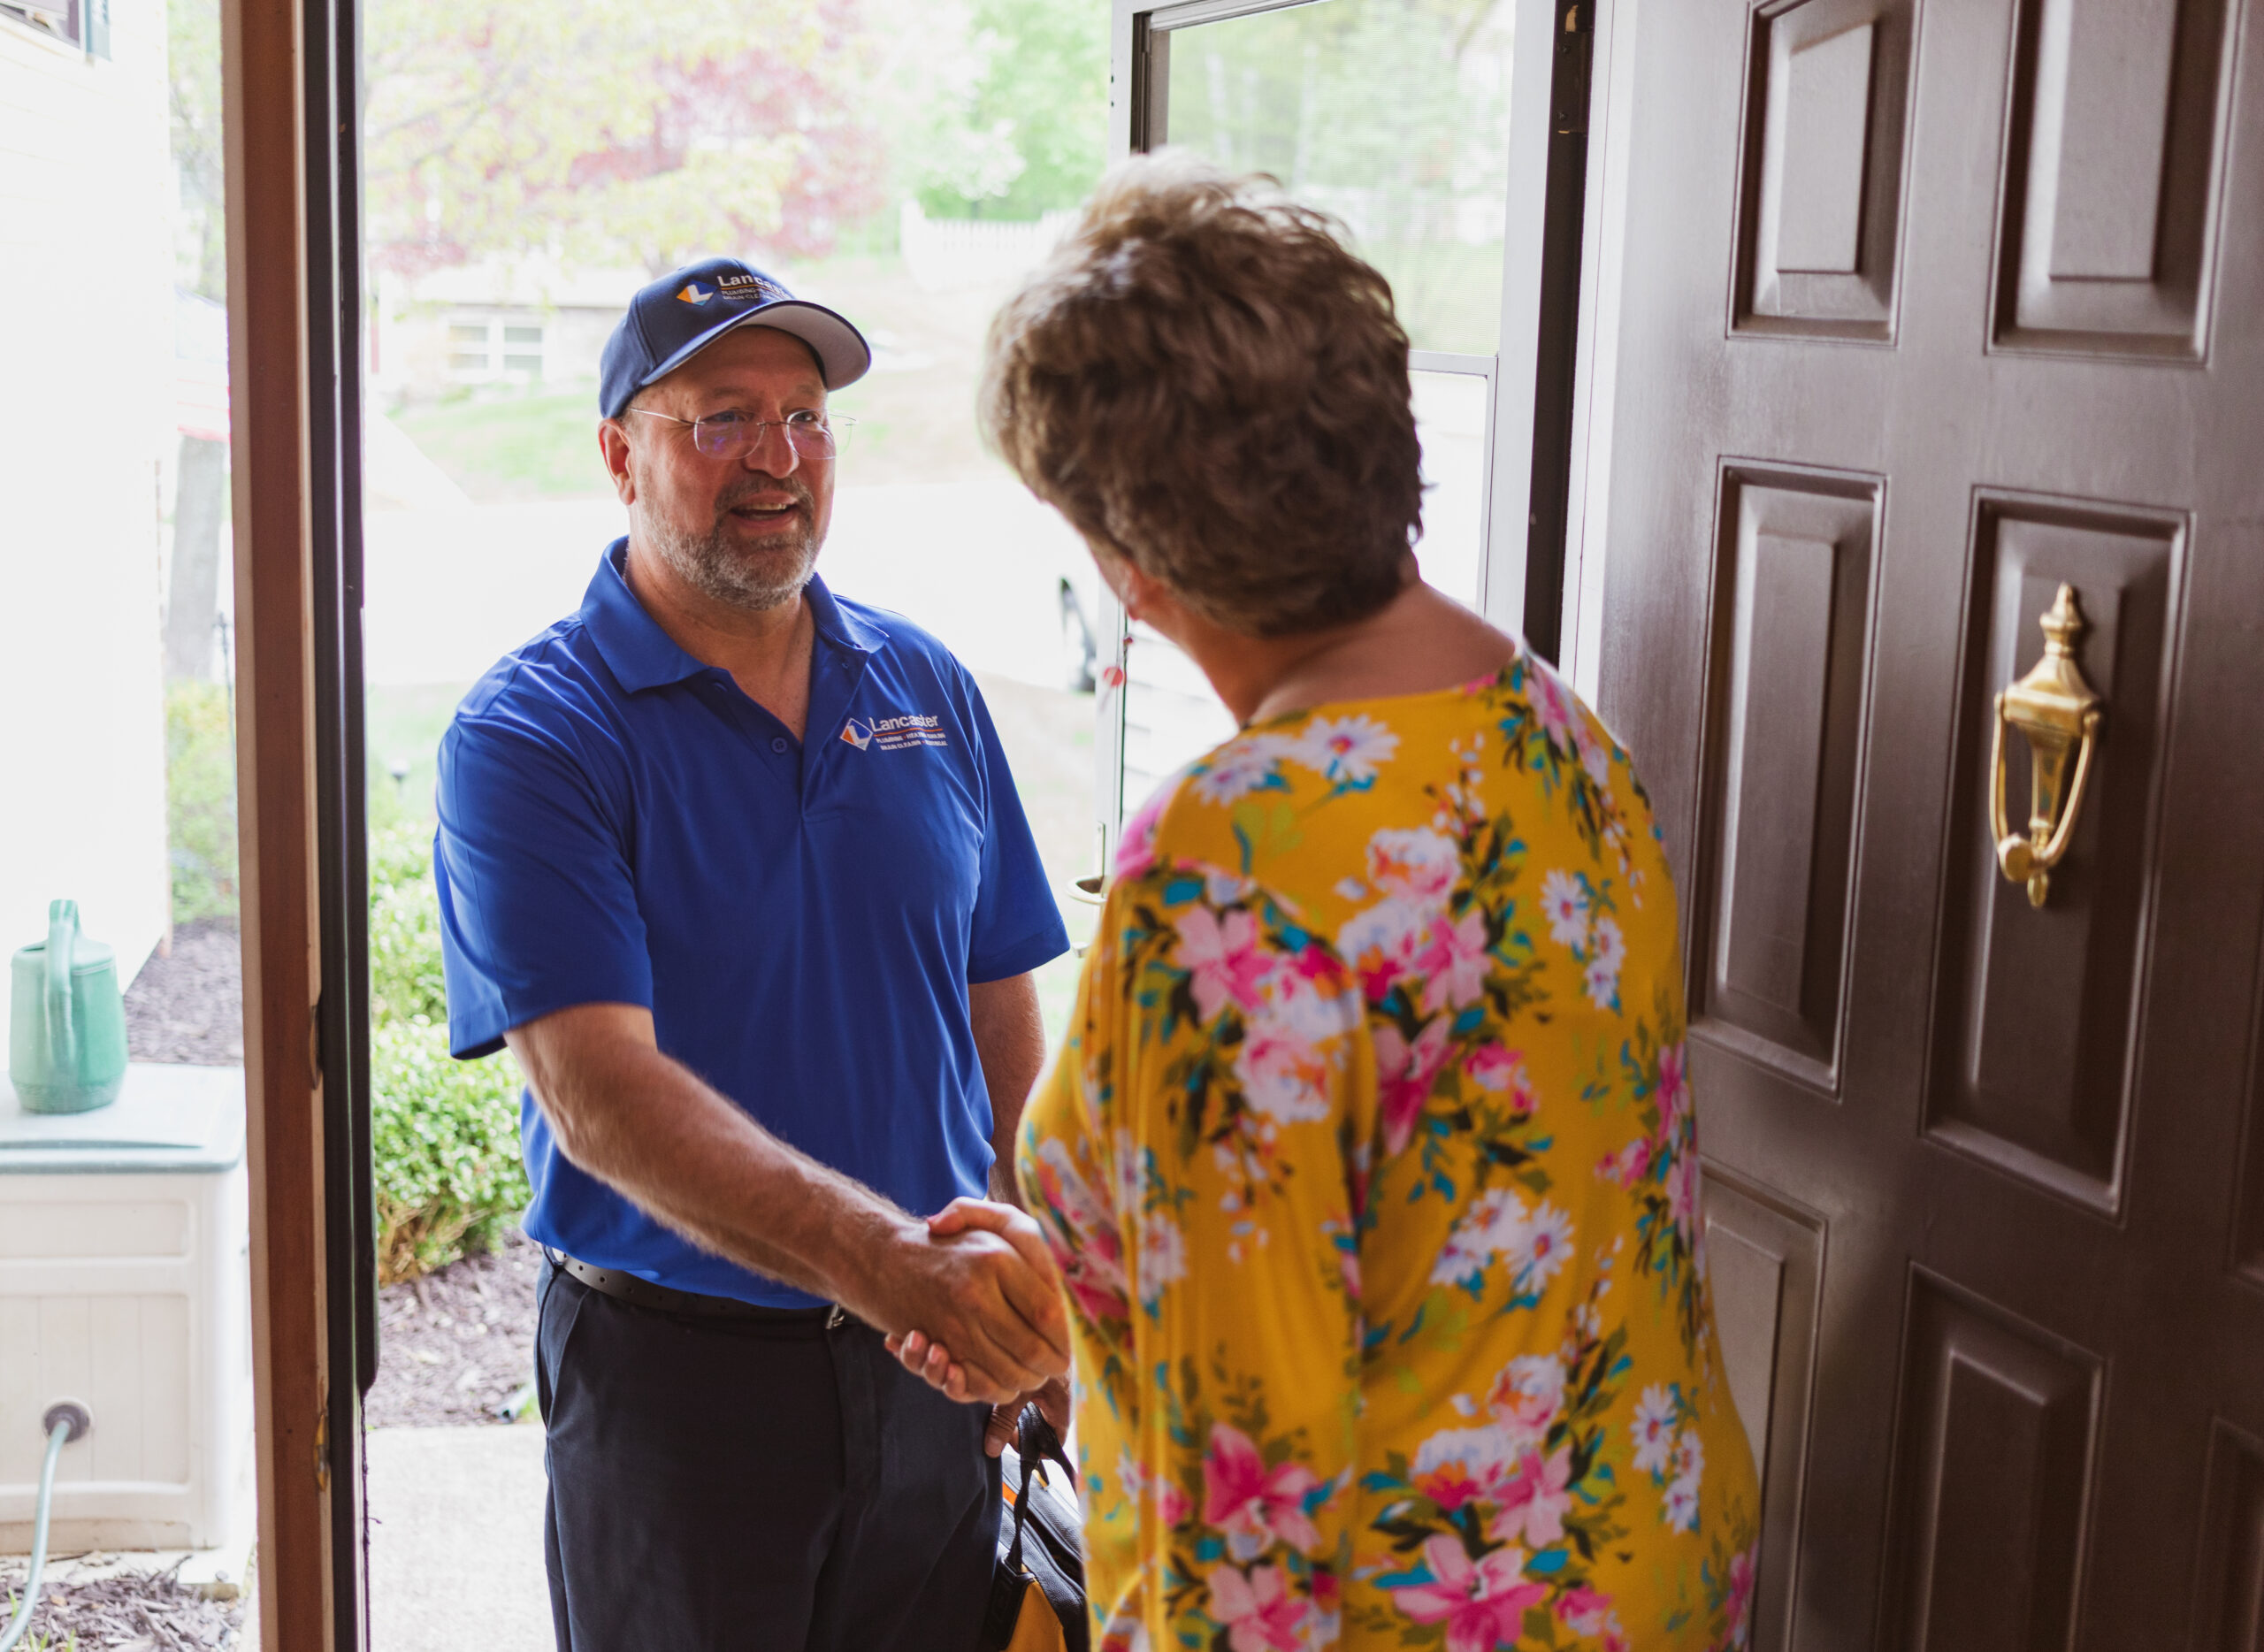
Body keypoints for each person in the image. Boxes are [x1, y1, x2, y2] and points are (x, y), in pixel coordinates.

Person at [888, 157, 1764, 1651]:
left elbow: (1248, 1527)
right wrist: (1101, 1290)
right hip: (1644, 1565)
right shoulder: (1551, 730)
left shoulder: (1230, 870)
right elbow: (1451, 1202)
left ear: (1133, 557)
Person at [432, 256, 1075, 1652]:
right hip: (679, 1388)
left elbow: (996, 1003)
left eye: (806, 416)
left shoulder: (924, 687)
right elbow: (600, 1094)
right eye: (720, 417)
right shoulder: (535, 735)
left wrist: (1029, 1276)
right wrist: (893, 1262)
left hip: (931, 1366)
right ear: (619, 453)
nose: (777, 458)